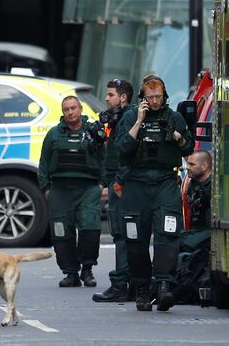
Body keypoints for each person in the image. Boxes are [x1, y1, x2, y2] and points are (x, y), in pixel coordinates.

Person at [115, 74, 194, 312]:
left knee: (167, 234)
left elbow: (189, 147)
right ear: (143, 98)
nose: (155, 101)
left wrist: (179, 137)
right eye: (150, 97)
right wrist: (139, 121)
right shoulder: (130, 116)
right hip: (137, 183)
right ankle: (141, 289)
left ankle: (163, 286)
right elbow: (121, 149)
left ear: (165, 96)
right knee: (135, 239)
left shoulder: (174, 117)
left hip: (165, 183)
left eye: (158, 96)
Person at [38, 96, 105, 288]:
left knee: (90, 229)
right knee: (60, 232)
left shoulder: (94, 131)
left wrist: (101, 185)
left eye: (73, 108)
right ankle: (70, 273)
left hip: (87, 189)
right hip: (60, 190)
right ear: (63, 112)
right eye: (66, 109)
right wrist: (46, 190)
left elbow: (106, 158)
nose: (70, 112)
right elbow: (43, 164)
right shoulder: (53, 134)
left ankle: (87, 269)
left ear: (81, 109)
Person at [92, 79, 134, 302]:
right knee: (126, 234)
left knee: (121, 233)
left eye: (110, 95)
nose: (106, 99)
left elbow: (127, 153)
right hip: (118, 182)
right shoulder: (117, 118)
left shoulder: (127, 117)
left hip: (122, 185)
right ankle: (133, 284)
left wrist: (117, 182)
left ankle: (120, 285)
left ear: (123, 97)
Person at [181, 150, 212, 253]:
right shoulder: (191, 184)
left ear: (204, 166)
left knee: (187, 245)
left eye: (191, 164)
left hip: (209, 230)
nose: (187, 167)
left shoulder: (215, 186)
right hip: (191, 230)